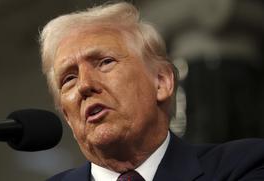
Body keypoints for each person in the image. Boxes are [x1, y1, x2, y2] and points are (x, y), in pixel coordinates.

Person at [39, 2, 264, 181]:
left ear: (162, 82)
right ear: (67, 117)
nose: (84, 85)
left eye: (105, 62)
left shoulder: (244, 164)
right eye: (69, 78)